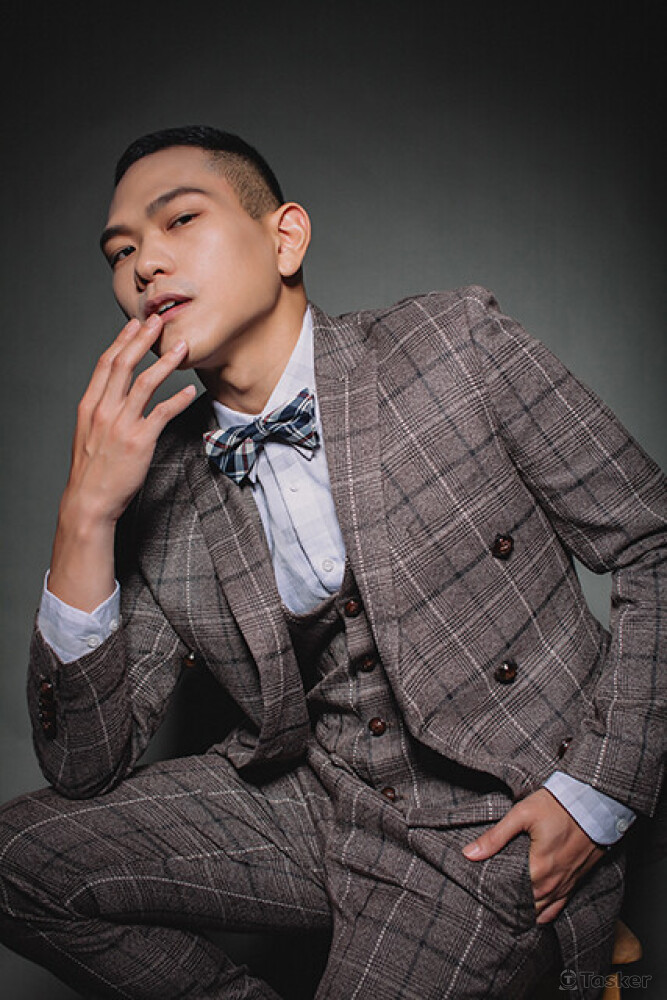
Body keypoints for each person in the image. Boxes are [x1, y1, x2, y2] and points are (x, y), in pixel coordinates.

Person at [0, 125, 664, 1000]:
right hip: (316, 801)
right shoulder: (163, 481)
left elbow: (652, 544)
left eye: (179, 221)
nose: (144, 265)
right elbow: (85, 765)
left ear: (285, 239)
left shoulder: (450, 345)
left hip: (491, 820)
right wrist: (83, 517)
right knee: (19, 860)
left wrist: (595, 796)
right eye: (120, 252)